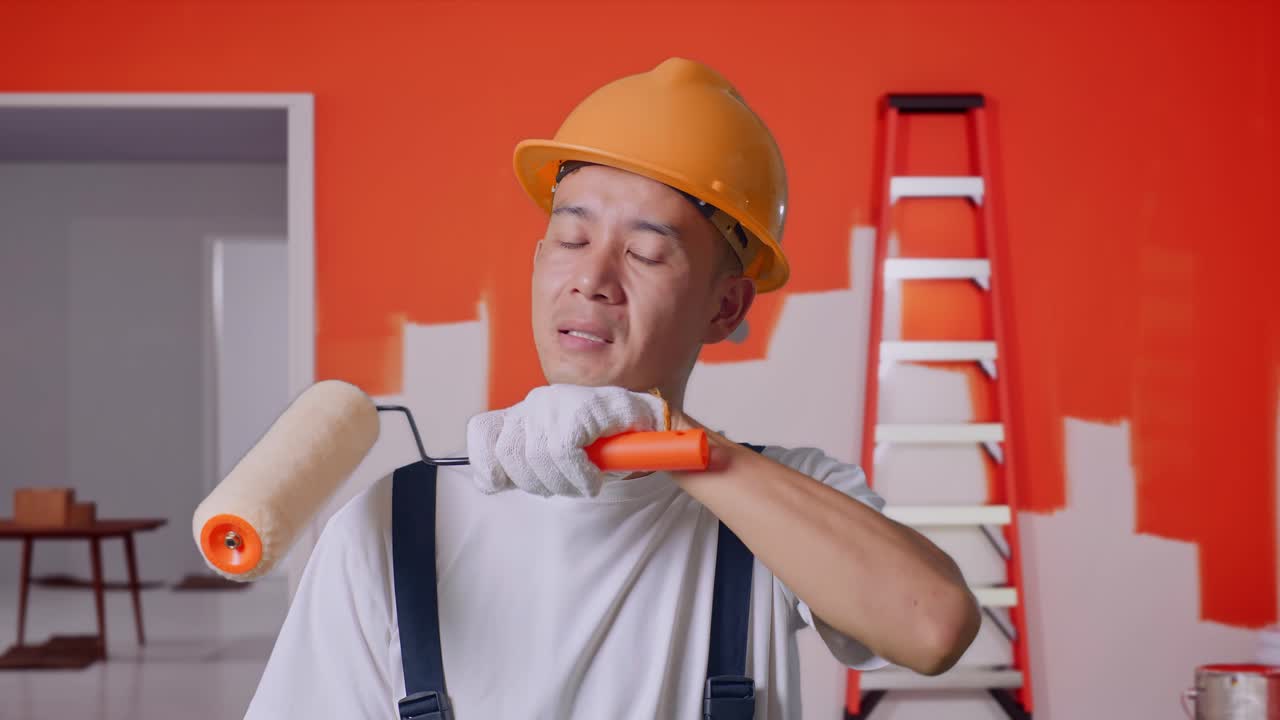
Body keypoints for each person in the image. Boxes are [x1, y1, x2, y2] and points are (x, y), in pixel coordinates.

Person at [244, 57, 978, 720]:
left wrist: (680, 446)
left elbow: (932, 626)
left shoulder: (785, 497)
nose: (591, 280)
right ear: (538, 263)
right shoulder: (393, 525)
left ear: (726, 307)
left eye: (646, 253)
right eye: (570, 240)